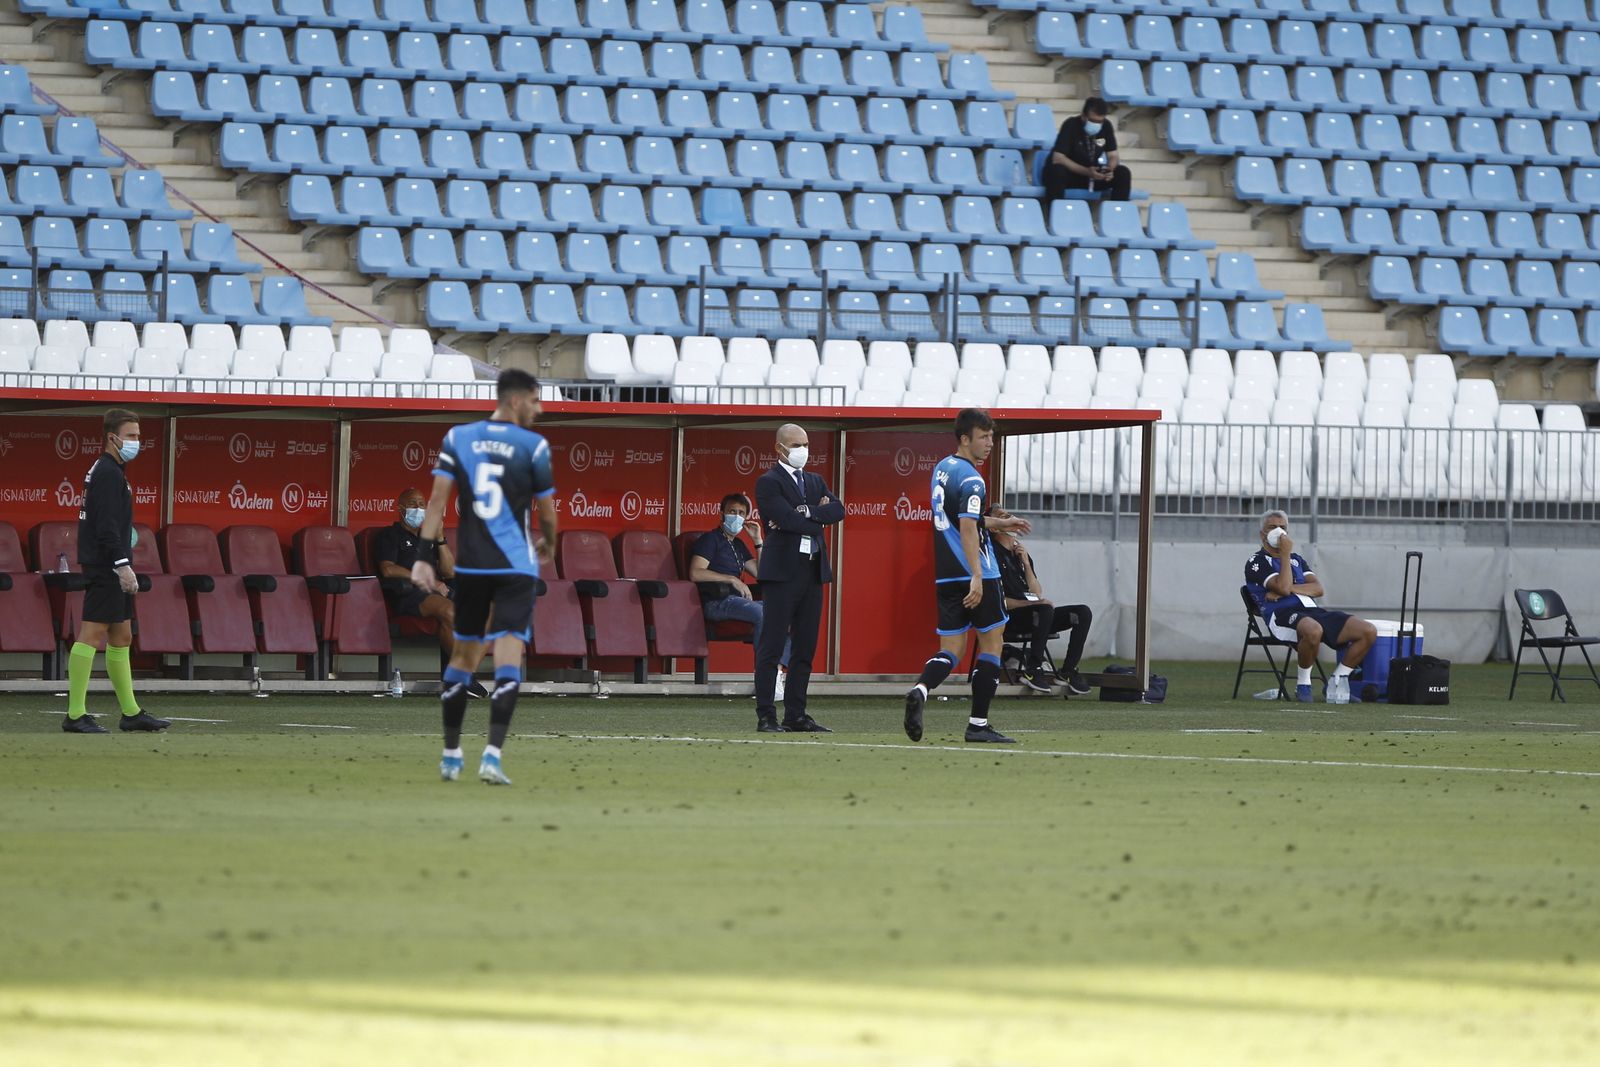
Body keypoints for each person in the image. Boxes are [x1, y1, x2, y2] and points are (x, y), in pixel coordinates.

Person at [411, 369, 557, 784]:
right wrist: (549, 542)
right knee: (510, 658)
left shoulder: (459, 437)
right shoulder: (533, 445)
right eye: (535, 400)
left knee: (463, 658)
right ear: (515, 401)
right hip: (515, 568)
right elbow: (547, 511)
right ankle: (492, 755)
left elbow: (437, 504)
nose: (539, 409)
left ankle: (452, 753)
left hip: (472, 566)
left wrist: (424, 557)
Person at [903, 409, 1033, 744]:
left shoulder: (942, 469)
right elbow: (966, 527)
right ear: (964, 439)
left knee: (951, 649)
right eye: (983, 437)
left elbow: (966, 519)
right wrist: (977, 575)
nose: (989, 443)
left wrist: (1000, 523)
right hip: (980, 574)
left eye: (991, 436)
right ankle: (978, 724)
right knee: (992, 643)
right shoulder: (974, 479)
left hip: (946, 576)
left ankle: (921, 688)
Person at [61, 408, 170, 734]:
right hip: (105, 565)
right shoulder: (108, 473)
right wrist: (121, 565)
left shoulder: (108, 470)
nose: (137, 442)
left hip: (109, 562)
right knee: (92, 634)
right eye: (131, 436)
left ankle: (131, 713)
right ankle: (75, 714)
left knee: (122, 636)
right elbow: (106, 525)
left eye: (138, 435)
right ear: (112, 437)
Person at [752, 423, 845, 734]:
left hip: (812, 571)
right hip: (781, 575)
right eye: (795, 445)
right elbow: (786, 519)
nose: (802, 450)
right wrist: (811, 516)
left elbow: (838, 510)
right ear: (779, 448)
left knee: (805, 648)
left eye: (805, 444)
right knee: (772, 646)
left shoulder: (815, 480)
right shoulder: (768, 482)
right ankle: (766, 715)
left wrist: (806, 513)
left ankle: (796, 714)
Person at [1244, 510, 1378, 704]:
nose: (1279, 532)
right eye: (1273, 528)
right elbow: (1281, 586)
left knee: (1367, 631)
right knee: (1312, 629)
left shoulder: (1297, 559)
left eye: (1283, 528)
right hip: (1281, 615)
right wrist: (1284, 555)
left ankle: (1336, 682)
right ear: (1262, 534)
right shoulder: (1256, 562)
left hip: (1312, 611)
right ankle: (1303, 684)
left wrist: (1289, 589)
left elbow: (1318, 589)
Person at [373, 489, 488, 698]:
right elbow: (388, 569)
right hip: (407, 594)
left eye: (421, 504)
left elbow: (449, 572)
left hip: (437, 592)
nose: (419, 509)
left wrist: (441, 538)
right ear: (401, 509)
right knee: (450, 611)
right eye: (413, 504)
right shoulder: (390, 535)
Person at [687, 492, 792, 701]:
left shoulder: (738, 545)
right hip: (717, 603)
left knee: (785, 612)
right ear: (722, 514)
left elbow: (763, 574)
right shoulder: (711, 539)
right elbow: (695, 572)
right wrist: (731, 579)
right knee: (763, 612)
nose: (736, 516)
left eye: (741, 513)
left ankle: (775, 674)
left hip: (739, 602)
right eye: (732, 512)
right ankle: (764, 677)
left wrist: (758, 541)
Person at [991, 522, 1093, 696]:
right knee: (1044, 609)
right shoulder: (991, 555)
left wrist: (1026, 564)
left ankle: (1068, 671)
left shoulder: (1020, 555)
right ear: (994, 527)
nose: (1011, 520)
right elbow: (996, 601)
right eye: (1003, 517)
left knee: (1082, 613)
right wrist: (1031, 605)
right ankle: (1033, 669)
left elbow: (1036, 593)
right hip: (1008, 619)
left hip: (1036, 616)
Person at [1042, 97, 1131, 202]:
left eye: (1100, 122)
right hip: (1071, 174)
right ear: (1083, 116)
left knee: (1123, 173)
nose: (1097, 125)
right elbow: (1058, 158)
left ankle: (1117, 213)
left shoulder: (1106, 126)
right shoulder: (1071, 125)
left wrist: (1109, 170)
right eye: (1093, 121)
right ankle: (1054, 212)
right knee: (1057, 171)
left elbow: (1113, 155)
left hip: (1092, 175)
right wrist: (1087, 172)